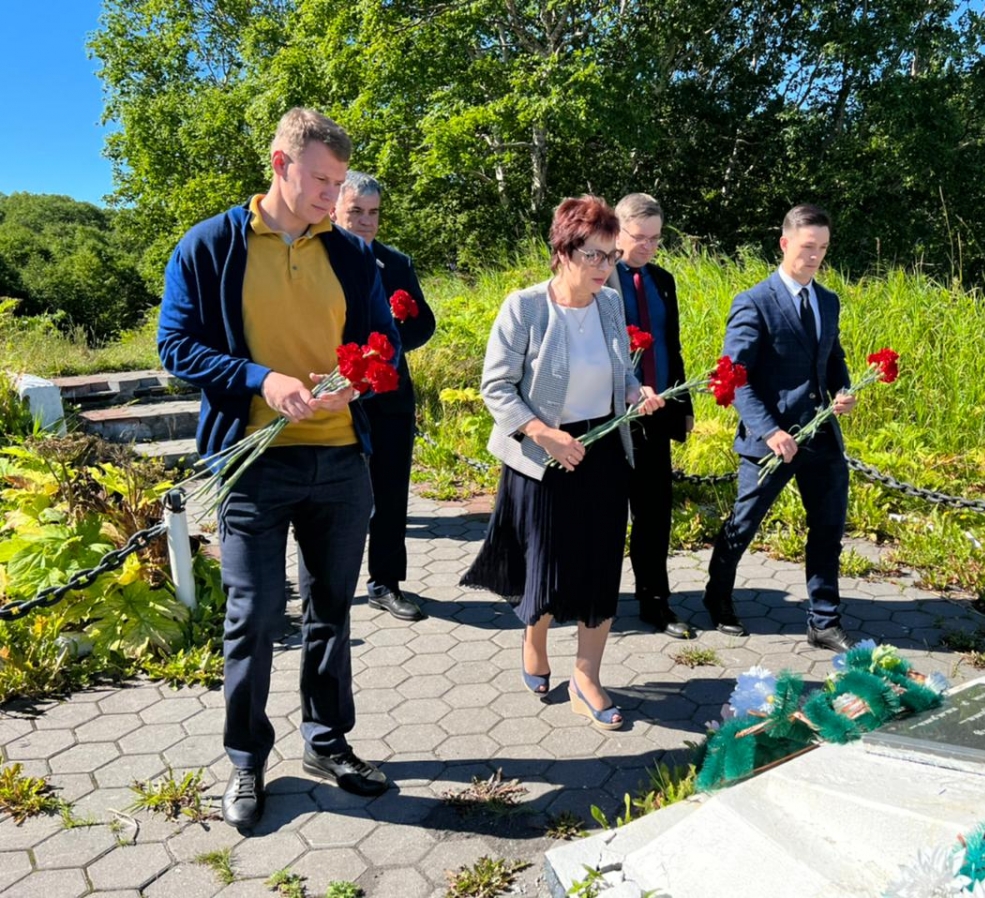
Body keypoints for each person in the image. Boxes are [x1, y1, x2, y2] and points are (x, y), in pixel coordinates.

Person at [158, 108, 399, 829]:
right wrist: (260, 380)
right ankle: (245, 759)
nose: (334, 195)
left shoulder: (351, 254)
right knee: (255, 614)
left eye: (338, 182)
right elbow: (176, 346)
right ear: (280, 164)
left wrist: (366, 376)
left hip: (339, 461)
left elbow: (381, 340)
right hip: (253, 465)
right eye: (322, 180)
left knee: (331, 610)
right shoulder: (211, 246)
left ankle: (327, 743)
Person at [461, 195, 665, 730]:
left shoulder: (611, 304)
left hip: (602, 451)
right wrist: (542, 432)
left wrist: (636, 391)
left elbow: (620, 372)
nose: (605, 268)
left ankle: (586, 677)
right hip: (542, 455)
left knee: (599, 567)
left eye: (610, 257)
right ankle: (534, 636)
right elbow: (496, 387)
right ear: (563, 251)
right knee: (546, 566)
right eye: (595, 256)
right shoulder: (525, 306)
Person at [702, 204, 860, 652]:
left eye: (823, 249)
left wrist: (843, 390)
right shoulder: (754, 301)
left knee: (828, 529)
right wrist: (769, 430)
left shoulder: (827, 301)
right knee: (744, 523)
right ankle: (717, 596)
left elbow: (833, 358)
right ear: (785, 243)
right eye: (808, 248)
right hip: (771, 441)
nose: (815, 258)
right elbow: (734, 376)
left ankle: (824, 620)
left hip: (822, 437)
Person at [322, 171, 436, 621]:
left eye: (373, 213)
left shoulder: (396, 262)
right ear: (334, 209)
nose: (366, 221)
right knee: (330, 496)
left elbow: (423, 323)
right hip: (331, 396)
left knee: (389, 493)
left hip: (388, 396)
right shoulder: (317, 257)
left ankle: (385, 582)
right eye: (356, 212)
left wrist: (385, 349)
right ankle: (328, 586)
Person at [608, 193, 694, 639]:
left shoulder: (662, 280)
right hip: (607, 416)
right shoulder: (600, 279)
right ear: (618, 231)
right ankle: (594, 599)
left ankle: (655, 601)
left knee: (654, 511)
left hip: (657, 410)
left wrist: (682, 405)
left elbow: (671, 345)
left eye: (655, 239)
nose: (647, 247)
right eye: (639, 238)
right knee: (604, 512)